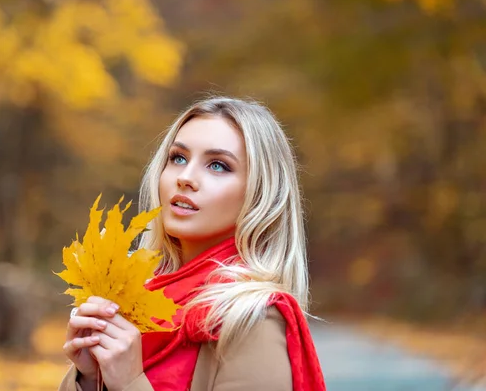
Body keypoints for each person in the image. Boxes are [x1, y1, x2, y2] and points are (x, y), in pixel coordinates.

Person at [58, 96, 326, 391]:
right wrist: (89, 378)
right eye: (178, 158)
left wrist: (130, 383)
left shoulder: (254, 319)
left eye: (218, 166)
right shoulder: (131, 302)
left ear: (260, 193)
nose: (185, 178)